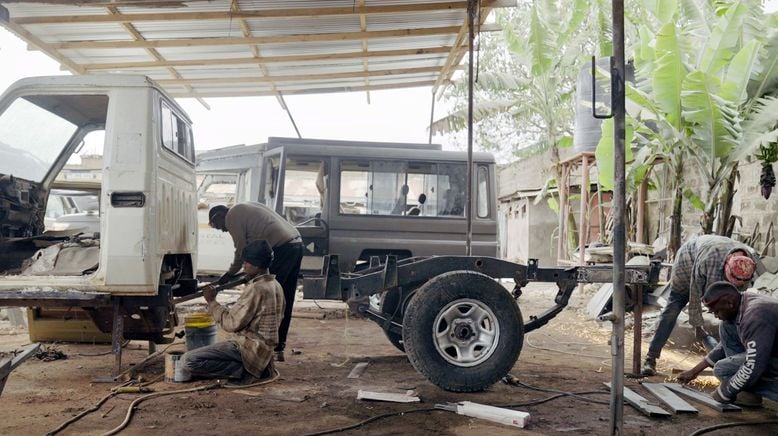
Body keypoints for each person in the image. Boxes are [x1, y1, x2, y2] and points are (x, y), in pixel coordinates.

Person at [642, 234, 757, 376]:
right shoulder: (709, 260)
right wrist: (698, 326)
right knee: (675, 305)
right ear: (727, 265)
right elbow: (695, 293)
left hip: (712, 258)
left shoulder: (748, 262)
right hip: (688, 260)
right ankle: (650, 359)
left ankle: (732, 361)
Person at [180, 240, 285, 385]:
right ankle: (259, 368)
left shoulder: (257, 288)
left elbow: (231, 323)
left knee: (188, 361)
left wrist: (212, 302)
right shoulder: (275, 285)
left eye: (246, 263)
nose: (244, 266)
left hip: (249, 348)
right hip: (264, 352)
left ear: (256, 265)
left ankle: (246, 372)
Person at [208, 202, 304, 361]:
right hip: (295, 244)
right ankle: (278, 349)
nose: (224, 230)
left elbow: (241, 251)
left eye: (219, 227)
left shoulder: (232, 216)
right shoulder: (246, 207)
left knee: (270, 300)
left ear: (219, 216)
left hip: (282, 248)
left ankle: (265, 351)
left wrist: (229, 274)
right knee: (284, 297)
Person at [677, 281, 778, 406]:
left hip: (765, 358)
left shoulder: (755, 316)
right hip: (769, 352)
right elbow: (723, 347)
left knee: (722, 370)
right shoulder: (741, 303)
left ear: (729, 303)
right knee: (726, 326)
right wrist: (694, 371)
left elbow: (754, 364)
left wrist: (726, 391)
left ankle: (745, 389)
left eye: (717, 311)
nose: (716, 315)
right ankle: (746, 392)